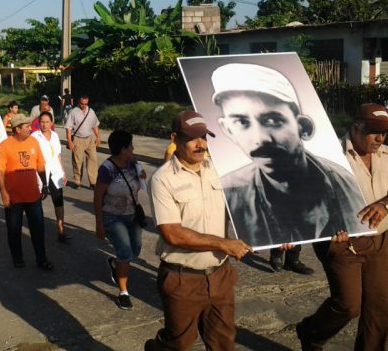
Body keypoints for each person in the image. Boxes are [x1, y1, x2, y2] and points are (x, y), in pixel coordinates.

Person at [211, 63, 366, 249]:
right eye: (242, 122)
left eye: (273, 120)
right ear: (228, 130)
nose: (260, 139)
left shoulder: (344, 183)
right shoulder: (230, 191)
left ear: (304, 127)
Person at [297, 103, 388, 351]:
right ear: (356, 127)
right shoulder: (329, 155)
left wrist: (386, 206)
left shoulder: (387, 155)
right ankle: (311, 332)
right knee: (348, 305)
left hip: (378, 242)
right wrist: (326, 227)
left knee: (380, 309)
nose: (380, 138)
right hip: (343, 243)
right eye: (374, 132)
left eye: (385, 132)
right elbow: (307, 202)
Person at [144, 111, 253, 351]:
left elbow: (249, 202)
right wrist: (223, 244)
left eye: (204, 137)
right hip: (183, 279)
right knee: (179, 343)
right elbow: (172, 233)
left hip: (219, 275)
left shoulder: (219, 170)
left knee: (223, 343)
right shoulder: (162, 180)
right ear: (175, 138)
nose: (200, 144)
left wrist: (283, 236)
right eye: (192, 138)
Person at [94, 130, 146, 310]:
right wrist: (99, 223)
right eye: (130, 146)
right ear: (123, 149)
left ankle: (116, 264)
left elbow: (143, 180)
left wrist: (142, 173)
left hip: (133, 215)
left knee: (135, 250)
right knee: (125, 252)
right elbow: (98, 196)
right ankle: (123, 293)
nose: (133, 148)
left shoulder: (133, 164)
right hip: (113, 216)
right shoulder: (107, 169)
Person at [0, 114, 53, 270]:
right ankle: (17, 257)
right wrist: (4, 193)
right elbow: (0, 171)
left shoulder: (34, 142)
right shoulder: (5, 145)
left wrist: (45, 184)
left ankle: (42, 259)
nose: (30, 128)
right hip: (14, 198)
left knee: (38, 230)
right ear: (18, 129)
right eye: (27, 126)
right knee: (14, 230)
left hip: (33, 196)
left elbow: (40, 166)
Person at [32, 111, 69, 242]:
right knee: (37, 203)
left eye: (47, 122)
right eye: (42, 122)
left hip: (55, 173)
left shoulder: (54, 135)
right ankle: (37, 230)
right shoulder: (34, 137)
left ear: (52, 123)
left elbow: (58, 155)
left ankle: (61, 230)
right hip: (40, 174)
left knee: (58, 201)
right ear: (38, 123)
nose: (45, 124)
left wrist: (63, 172)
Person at [65, 95, 101, 189]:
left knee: (93, 160)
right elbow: (68, 128)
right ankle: (77, 181)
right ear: (79, 102)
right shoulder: (73, 112)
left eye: (85, 104)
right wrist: (69, 141)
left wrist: (98, 137)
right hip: (78, 139)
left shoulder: (91, 112)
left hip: (90, 139)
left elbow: (95, 125)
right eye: (82, 103)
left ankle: (93, 182)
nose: (84, 106)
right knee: (77, 161)